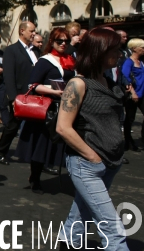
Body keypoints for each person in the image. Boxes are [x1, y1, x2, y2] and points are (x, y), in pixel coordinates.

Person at [56, 28, 128, 250]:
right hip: (86, 164)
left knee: (82, 213)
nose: (120, 54)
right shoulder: (78, 85)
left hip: (110, 161)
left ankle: (67, 242)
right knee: (113, 231)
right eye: (115, 50)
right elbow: (63, 127)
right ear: (99, 51)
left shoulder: (109, 82)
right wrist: (92, 157)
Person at [15, 28, 75, 193]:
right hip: (48, 108)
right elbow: (32, 85)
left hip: (66, 107)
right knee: (42, 144)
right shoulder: (45, 61)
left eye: (66, 41)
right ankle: (35, 178)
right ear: (52, 42)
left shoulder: (70, 60)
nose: (63, 44)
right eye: (59, 41)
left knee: (61, 144)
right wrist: (54, 91)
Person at [0, 21, 40, 165]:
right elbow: (9, 75)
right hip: (20, 95)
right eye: (31, 31)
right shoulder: (12, 50)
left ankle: (34, 155)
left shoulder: (36, 50)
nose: (34, 33)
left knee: (35, 127)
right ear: (22, 31)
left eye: (34, 31)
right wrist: (14, 98)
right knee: (13, 126)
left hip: (35, 94)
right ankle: (1, 151)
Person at [122, 38, 144, 152]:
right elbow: (125, 77)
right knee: (130, 119)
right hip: (133, 95)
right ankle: (128, 141)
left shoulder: (141, 62)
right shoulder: (129, 62)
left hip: (142, 94)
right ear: (134, 49)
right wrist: (133, 92)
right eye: (142, 47)